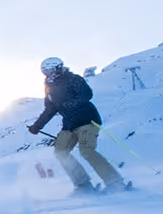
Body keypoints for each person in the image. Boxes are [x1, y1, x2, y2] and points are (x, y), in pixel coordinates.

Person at [28, 57, 128, 192]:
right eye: (45, 72)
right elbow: (50, 110)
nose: (48, 75)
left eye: (50, 71)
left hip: (87, 119)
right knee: (60, 152)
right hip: (69, 125)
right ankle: (83, 185)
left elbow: (87, 95)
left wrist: (69, 103)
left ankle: (115, 183)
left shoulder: (73, 78)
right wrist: (37, 126)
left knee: (87, 151)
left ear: (58, 68)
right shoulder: (49, 87)